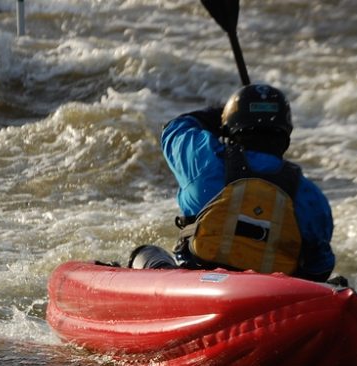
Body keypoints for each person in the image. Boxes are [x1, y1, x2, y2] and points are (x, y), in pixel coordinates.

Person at [129, 84, 336, 282]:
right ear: (285, 137)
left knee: (146, 254)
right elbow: (320, 268)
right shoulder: (310, 196)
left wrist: (220, 114)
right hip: (274, 294)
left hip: (198, 283)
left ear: (229, 131)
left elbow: (176, 128)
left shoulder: (205, 161)